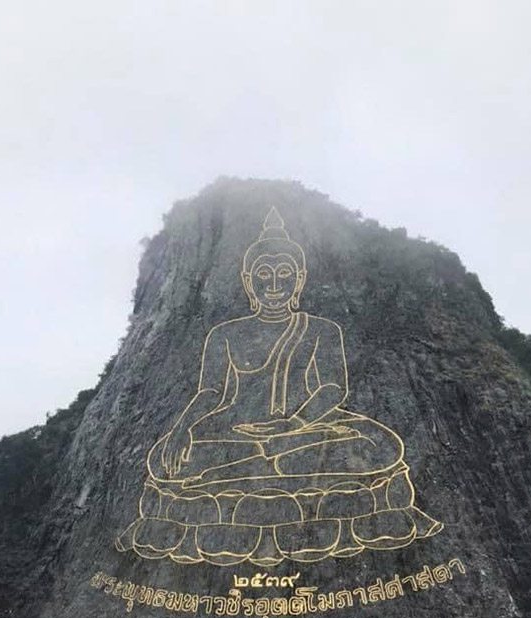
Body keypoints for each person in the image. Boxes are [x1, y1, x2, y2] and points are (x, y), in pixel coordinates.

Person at [117, 208, 442, 566]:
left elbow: (333, 388)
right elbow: (211, 393)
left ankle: (256, 472)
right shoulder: (225, 334)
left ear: (299, 279)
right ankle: (270, 468)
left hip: (307, 430)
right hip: (238, 432)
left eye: (284, 274)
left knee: (380, 445)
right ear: (248, 281)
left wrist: (292, 425)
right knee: (166, 459)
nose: (274, 285)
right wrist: (183, 428)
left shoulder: (321, 330)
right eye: (264, 275)